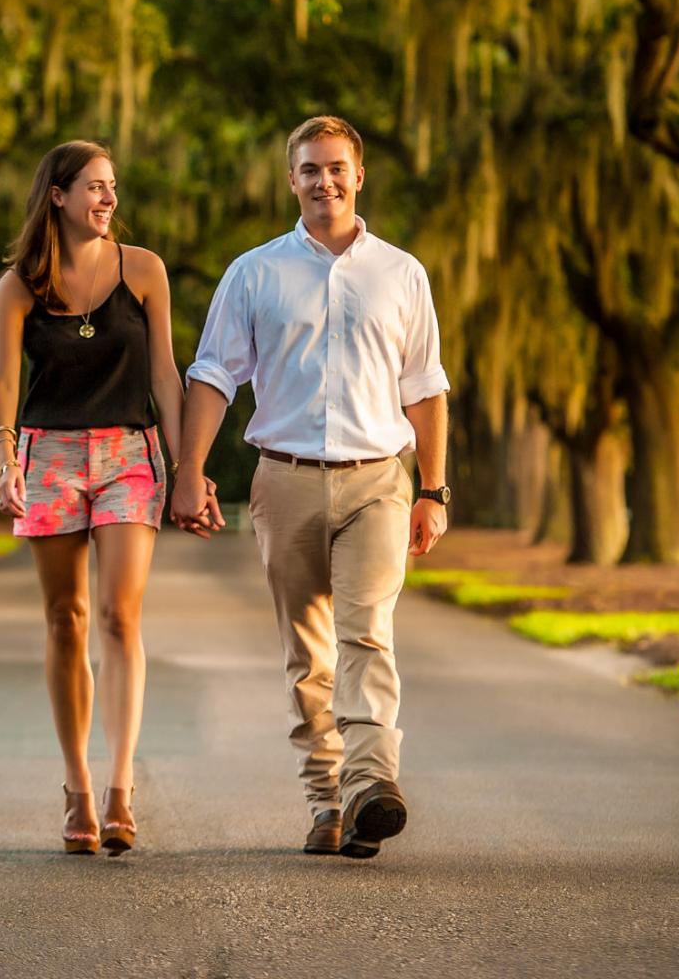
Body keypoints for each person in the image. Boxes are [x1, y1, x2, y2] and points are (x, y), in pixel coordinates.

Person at [172, 115, 451, 859]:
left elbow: (424, 389)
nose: (324, 181)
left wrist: (434, 489)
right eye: (309, 170)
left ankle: (372, 786)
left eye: (336, 168)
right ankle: (328, 800)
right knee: (308, 654)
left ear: (359, 175)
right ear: (291, 180)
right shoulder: (254, 273)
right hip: (285, 481)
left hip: (377, 484)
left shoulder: (401, 273)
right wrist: (190, 471)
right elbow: (212, 376)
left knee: (365, 630)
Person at [0, 140, 187, 856]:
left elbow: (165, 373)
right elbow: (3, 384)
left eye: (112, 187)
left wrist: (184, 461)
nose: (107, 199)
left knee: (118, 615)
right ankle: (76, 786)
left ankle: (121, 789)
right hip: (49, 456)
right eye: (94, 188)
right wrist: (4, 455)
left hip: (131, 454)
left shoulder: (146, 271)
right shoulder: (19, 285)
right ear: (59, 196)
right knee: (66, 618)